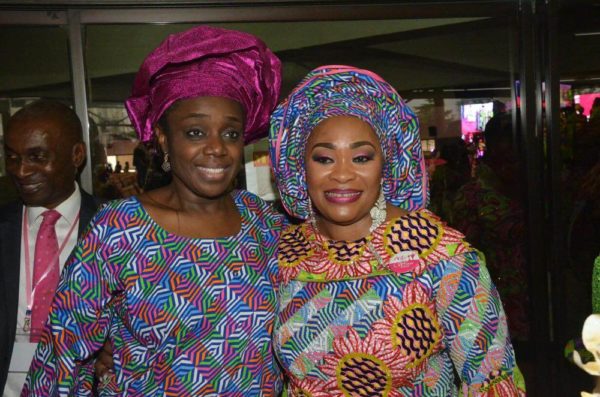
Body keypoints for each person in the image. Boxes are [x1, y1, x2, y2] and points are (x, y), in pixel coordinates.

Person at [22, 25, 283, 396]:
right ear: (162, 138)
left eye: (230, 133)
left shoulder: (264, 224)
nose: (217, 149)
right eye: (195, 132)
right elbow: (61, 355)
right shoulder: (120, 230)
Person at [269, 65, 525, 396]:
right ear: (301, 167)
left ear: (385, 165)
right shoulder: (287, 251)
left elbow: (491, 380)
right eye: (324, 159)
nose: (343, 174)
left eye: (361, 158)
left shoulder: (441, 257)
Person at [0, 100, 100, 396]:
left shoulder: (115, 231)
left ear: (77, 155)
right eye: (12, 157)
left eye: (36, 156)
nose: (20, 170)